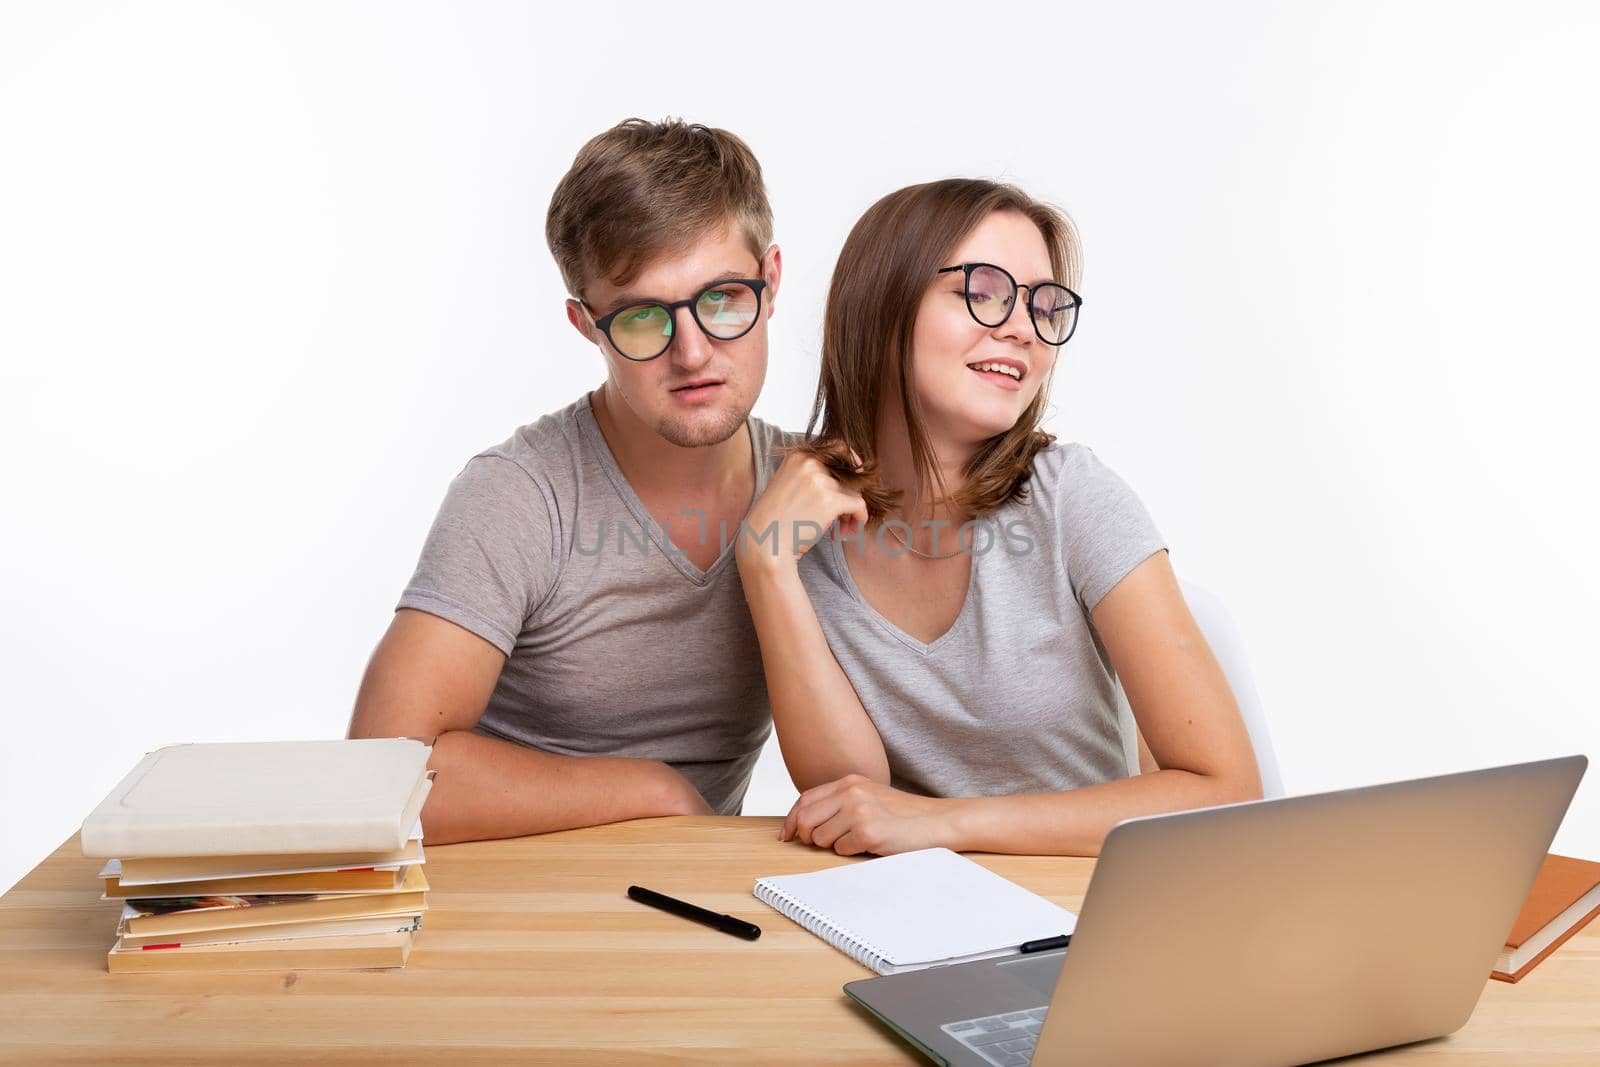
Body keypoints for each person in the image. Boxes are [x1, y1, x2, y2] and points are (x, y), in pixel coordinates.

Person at [735, 178, 1263, 857]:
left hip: (1088, 915)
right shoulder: (807, 521)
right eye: (982, 291)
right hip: (919, 917)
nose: (1022, 328)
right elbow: (850, 798)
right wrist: (766, 563)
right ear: (884, 303)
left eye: (1045, 306)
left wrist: (945, 824)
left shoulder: (1071, 498)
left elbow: (1225, 789)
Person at [348, 118, 791, 844]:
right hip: (519, 907)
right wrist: (655, 792)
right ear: (586, 323)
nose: (692, 351)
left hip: (692, 905)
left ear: (770, 283)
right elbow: (381, 774)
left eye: (722, 299)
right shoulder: (521, 495)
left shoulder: (809, 487)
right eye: (643, 317)